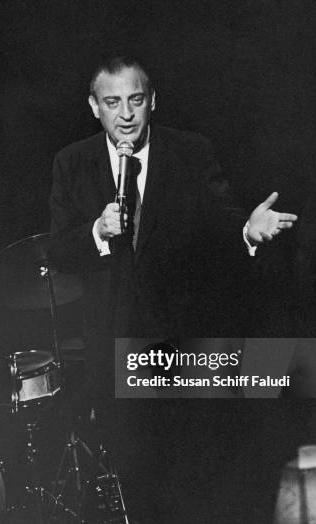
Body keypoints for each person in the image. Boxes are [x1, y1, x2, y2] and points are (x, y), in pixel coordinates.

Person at [49, 56, 297, 355]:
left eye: (136, 100)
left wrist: (247, 231)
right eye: (112, 102)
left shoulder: (192, 151)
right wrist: (98, 232)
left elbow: (221, 222)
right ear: (94, 106)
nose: (126, 114)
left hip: (182, 339)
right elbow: (60, 253)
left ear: (152, 101)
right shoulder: (72, 162)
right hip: (109, 346)